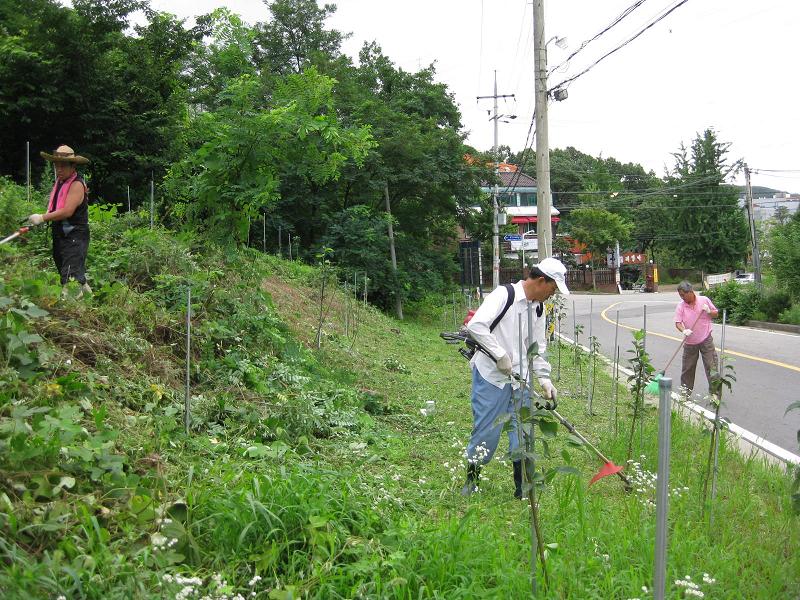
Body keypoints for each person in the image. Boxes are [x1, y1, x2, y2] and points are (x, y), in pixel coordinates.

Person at [461, 257, 570, 498]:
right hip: (492, 375)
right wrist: (500, 354)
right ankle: (472, 480)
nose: (552, 295)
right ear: (541, 281)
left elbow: (537, 346)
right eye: (552, 289)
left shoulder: (539, 308)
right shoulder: (504, 295)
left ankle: (522, 489)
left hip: (520, 378)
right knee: (486, 431)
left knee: (523, 432)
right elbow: (476, 325)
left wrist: (544, 379)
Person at [27, 145, 92, 297]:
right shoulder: (60, 182)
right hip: (61, 235)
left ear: (73, 165)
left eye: (63, 166)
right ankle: (90, 302)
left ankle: (70, 313)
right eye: (56, 165)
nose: (59, 169)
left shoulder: (76, 184)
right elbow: (56, 208)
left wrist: (42, 217)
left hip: (75, 236)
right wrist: (43, 218)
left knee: (70, 277)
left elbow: (67, 211)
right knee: (71, 273)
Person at [674, 281, 719, 397]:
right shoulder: (681, 306)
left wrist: (709, 311)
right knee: (687, 369)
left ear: (691, 292)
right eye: (680, 296)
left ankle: (715, 395)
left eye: (683, 295)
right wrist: (684, 330)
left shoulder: (704, 300)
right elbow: (678, 322)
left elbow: (716, 313)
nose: (682, 298)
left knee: (711, 367)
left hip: (706, 340)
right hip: (690, 343)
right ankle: (685, 395)